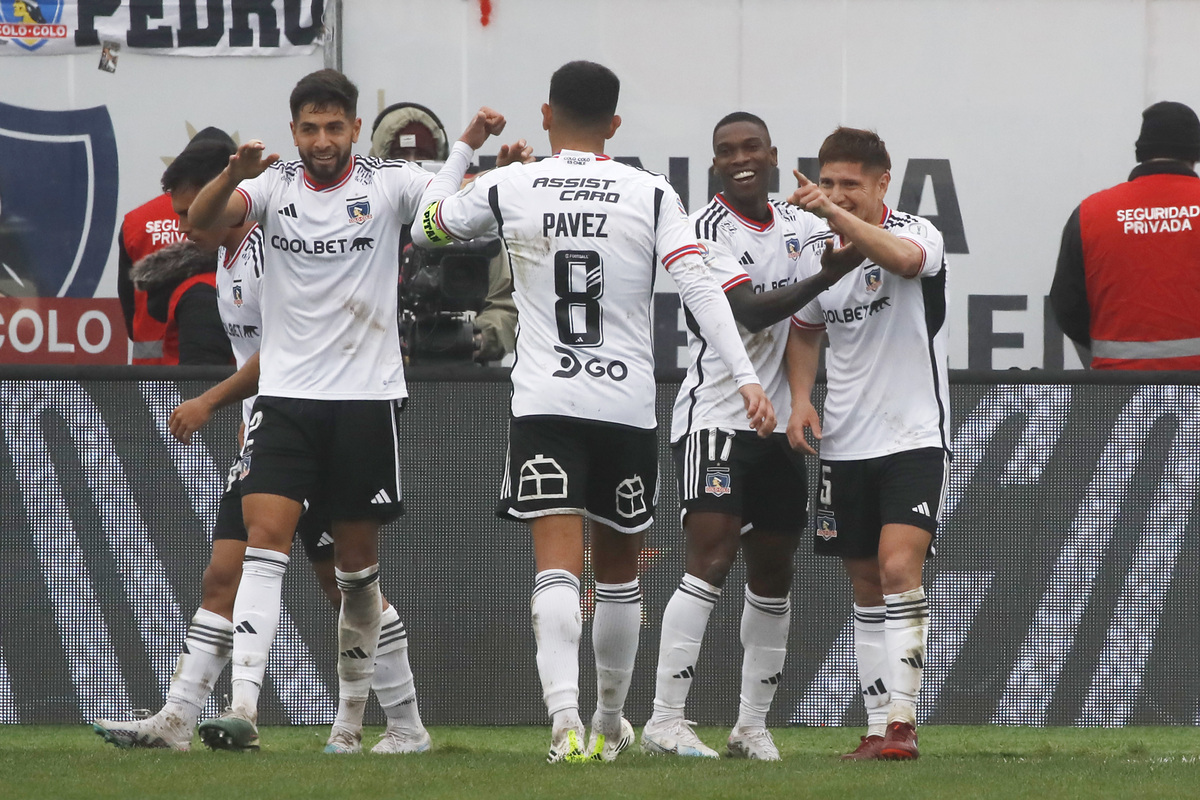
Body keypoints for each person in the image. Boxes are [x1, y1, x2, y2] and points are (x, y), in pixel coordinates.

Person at [411, 60, 775, 763]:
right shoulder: (650, 191)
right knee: (618, 574)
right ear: (614, 124)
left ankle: (564, 724)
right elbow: (700, 287)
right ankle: (611, 721)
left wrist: (463, 149)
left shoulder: (510, 182)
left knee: (555, 567)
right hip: (625, 404)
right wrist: (748, 378)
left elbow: (428, 226)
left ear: (545, 116)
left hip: (547, 397)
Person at [183, 69, 506, 755]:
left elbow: (445, 216)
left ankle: (357, 725)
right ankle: (244, 706)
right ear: (294, 129)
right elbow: (201, 224)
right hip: (287, 400)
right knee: (263, 543)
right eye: (309, 128)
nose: (322, 140)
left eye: (334, 127)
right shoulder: (269, 185)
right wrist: (231, 173)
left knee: (356, 578)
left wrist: (475, 162)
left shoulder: (387, 182)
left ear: (355, 129)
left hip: (365, 401)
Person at [90, 136, 429, 754]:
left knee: (346, 585)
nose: (190, 224)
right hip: (269, 434)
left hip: (316, 417)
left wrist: (209, 400)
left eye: (196, 207)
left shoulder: (272, 239)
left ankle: (404, 720)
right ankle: (180, 717)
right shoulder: (223, 254)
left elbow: (281, 354)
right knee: (223, 572)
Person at [643, 112, 861, 762]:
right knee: (710, 559)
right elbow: (747, 312)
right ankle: (665, 720)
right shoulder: (703, 230)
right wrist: (827, 276)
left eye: (750, 147)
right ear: (714, 165)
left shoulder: (800, 226)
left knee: (774, 570)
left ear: (771, 155)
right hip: (715, 413)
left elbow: (806, 326)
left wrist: (800, 400)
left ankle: (751, 726)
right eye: (725, 151)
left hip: (775, 426)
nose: (739, 159)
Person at [787, 127, 950, 761]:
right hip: (846, 439)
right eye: (826, 183)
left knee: (898, 568)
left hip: (913, 435)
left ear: (883, 183)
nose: (836, 194)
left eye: (850, 184)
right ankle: (878, 725)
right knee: (863, 584)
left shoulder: (918, 231)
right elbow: (805, 330)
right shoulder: (812, 251)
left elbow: (906, 263)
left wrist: (832, 216)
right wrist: (802, 399)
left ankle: (905, 726)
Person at [1050, 100, 1200, 369]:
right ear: (1195, 153)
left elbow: (1066, 306)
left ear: (1141, 152)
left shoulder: (1090, 214)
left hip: (1118, 391)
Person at [117, 127, 232, 364]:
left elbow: (129, 311)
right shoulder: (244, 222)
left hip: (147, 383)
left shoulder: (136, 222)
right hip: (219, 385)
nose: (183, 227)